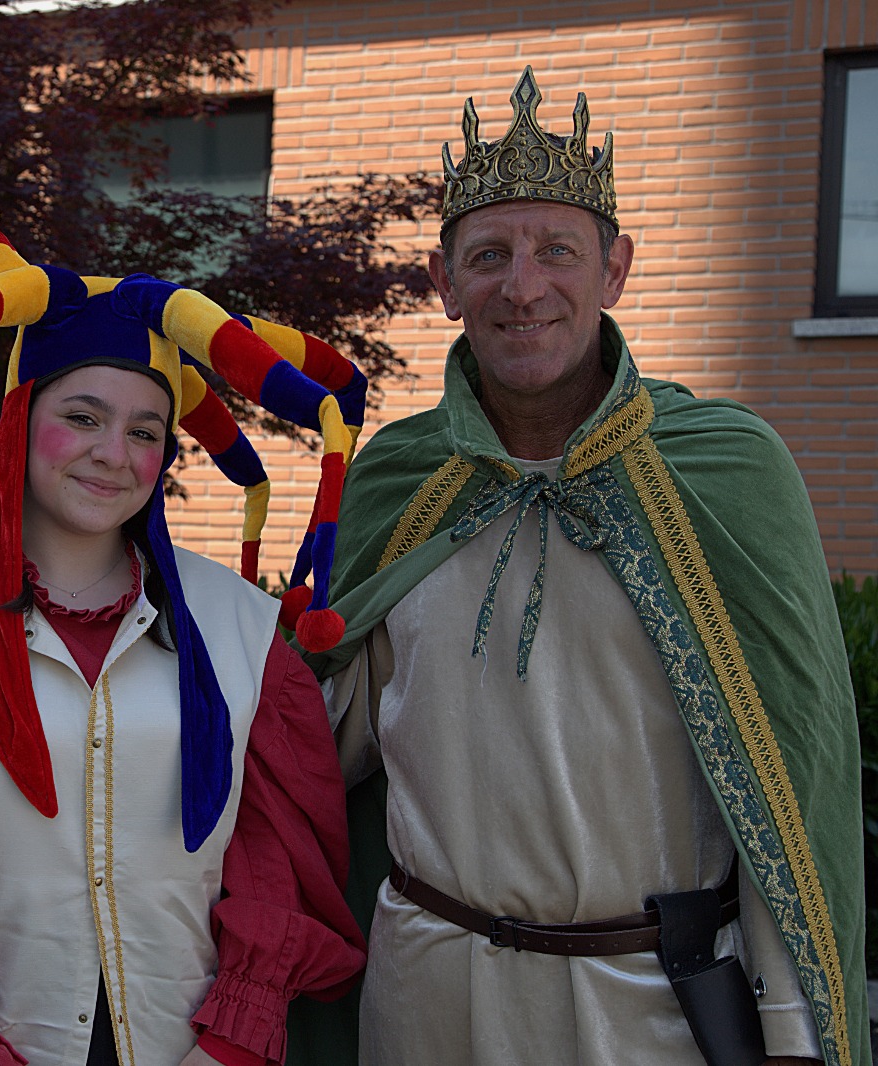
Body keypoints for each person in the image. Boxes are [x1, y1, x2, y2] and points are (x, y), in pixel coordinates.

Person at [303, 67, 868, 1065]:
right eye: (487, 255)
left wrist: (787, 1028)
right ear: (442, 283)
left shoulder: (726, 472)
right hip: (425, 993)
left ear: (614, 271)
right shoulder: (398, 477)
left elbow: (786, 775)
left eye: (555, 250)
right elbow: (319, 742)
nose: (521, 286)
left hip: (648, 1008)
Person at [0, 197, 369, 1066]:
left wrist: (234, 1037)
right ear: (21, 421)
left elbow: (275, 855)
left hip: (195, 1050)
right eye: (82, 417)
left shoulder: (241, 628)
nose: (112, 454)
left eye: (144, 432)